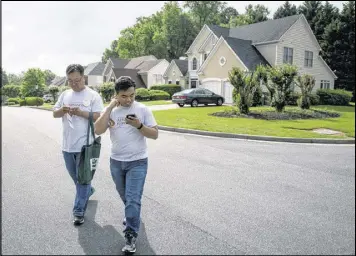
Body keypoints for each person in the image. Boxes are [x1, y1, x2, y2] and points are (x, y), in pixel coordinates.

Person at [94, 76, 158, 253]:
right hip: (116, 162)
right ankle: (133, 216)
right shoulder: (112, 111)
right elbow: (98, 130)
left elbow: (154, 134)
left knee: (132, 199)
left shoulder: (142, 109)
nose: (128, 99)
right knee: (126, 198)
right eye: (124, 96)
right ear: (116, 95)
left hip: (137, 162)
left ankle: (130, 235)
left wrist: (139, 126)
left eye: (132, 95)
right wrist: (109, 108)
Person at [53, 64, 104, 225]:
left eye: (77, 80)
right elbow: (55, 113)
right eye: (70, 81)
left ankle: (78, 211)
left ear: (84, 77)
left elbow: (98, 117)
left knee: (82, 180)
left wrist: (80, 112)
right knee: (77, 179)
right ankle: (88, 191)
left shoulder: (93, 95)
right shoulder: (64, 95)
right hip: (67, 146)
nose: (74, 84)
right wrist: (63, 110)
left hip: (85, 146)